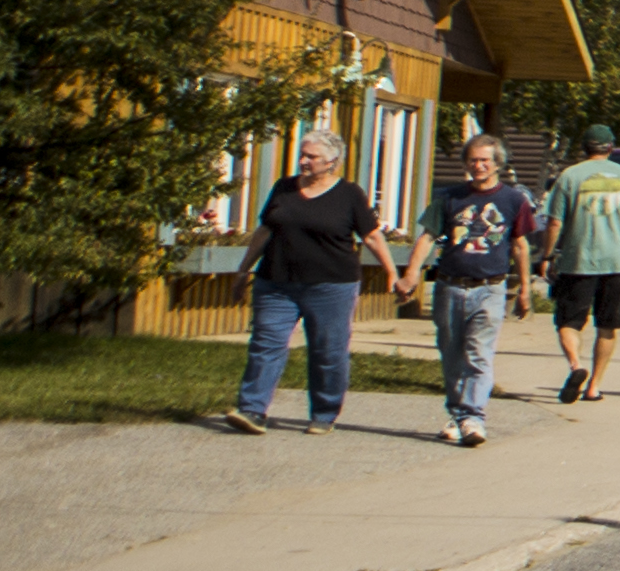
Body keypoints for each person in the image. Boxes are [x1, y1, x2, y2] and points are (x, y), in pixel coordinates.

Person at [226, 130, 402, 435]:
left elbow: (372, 235)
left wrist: (392, 272)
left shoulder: (349, 194)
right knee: (265, 345)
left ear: (331, 161)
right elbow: (265, 231)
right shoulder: (284, 188)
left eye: (311, 157)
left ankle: (324, 412)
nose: (303, 161)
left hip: (331, 287)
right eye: (302, 155)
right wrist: (243, 270)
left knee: (328, 352)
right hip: (276, 283)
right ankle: (252, 410)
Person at [417, 132, 543, 447]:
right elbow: (427, 237)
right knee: (451, 354)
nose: (479, 165)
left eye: (485, 160)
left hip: (490, 287)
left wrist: (526, 289)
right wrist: (409, 274)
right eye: (473, 160)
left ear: (497, 163)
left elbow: (520, 246)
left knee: (478, 354)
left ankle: (473, 417)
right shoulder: (450, 197)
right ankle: (459, 416)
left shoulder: (514, 200)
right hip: (449, 286)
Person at [545, 127, 620, 404]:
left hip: (577, 261)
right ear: (610, 147)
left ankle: (576, 365)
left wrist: (546, 256)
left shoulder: (569, 176)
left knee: (568, 322)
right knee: (608, 325)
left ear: (584, 148)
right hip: (615, 261)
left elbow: (554, 222)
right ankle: (594, 386)